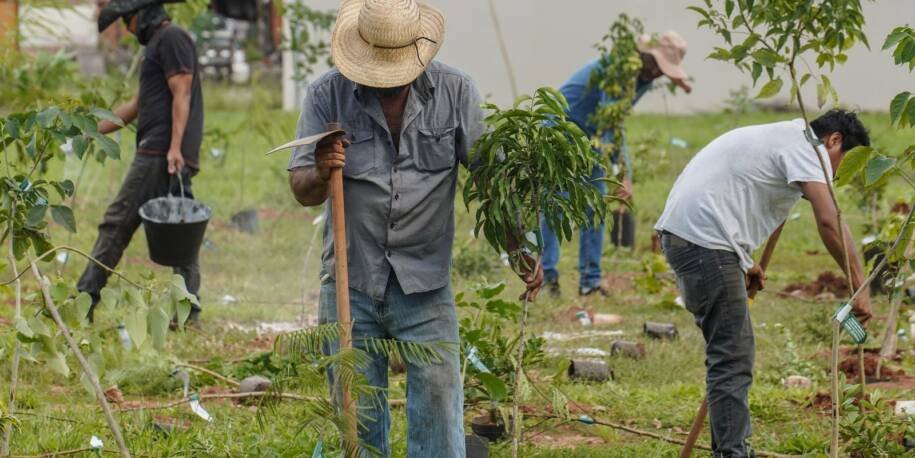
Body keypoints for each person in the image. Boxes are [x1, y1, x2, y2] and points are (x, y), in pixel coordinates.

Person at [286, 1, 541, 456]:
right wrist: (322, 170)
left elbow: (490, 181)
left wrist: (520, 248)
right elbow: (301, 187)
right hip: (352, 280)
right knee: (357, 418)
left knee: (440, 406)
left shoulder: (456, 92)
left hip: (424, 284)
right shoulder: (327, 95)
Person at [655, 109, 873, 457]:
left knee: (729, 352)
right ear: (834, 141)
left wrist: (745, 260)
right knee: (733, 354)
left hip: (695, 238)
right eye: (842, 165)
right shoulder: (806, 146)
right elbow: (829, 220)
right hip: (705, 243)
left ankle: (730, 449)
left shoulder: (785, 137)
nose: (835, 177)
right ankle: (732, 453)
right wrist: (859, 286)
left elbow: (738, 189)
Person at [542, 31, 692, 297]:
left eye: (664, 71)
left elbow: (615, 122)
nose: (659, 74)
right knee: (557, 205)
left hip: (593, 136)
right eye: (658, 66)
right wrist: (622, 173)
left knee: (595, 208)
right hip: (562, 131)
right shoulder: (617, 71)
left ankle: (590, 282)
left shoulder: (643, 79)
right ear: (646, 57)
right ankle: (546, 278)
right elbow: (609, 120)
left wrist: (623, 172)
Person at [83, 0, 204, 323]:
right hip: (165, 151)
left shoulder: (172, 38)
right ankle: (188, 314)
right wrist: (90, 129)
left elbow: (183, 92)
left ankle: (83, 300)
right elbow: (137, 104)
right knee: (183, 232)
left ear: (142, 14)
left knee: (116, 223)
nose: (126, 27)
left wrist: (175, 147)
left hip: (160, 152)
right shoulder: (156, 45)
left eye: (126, 20)